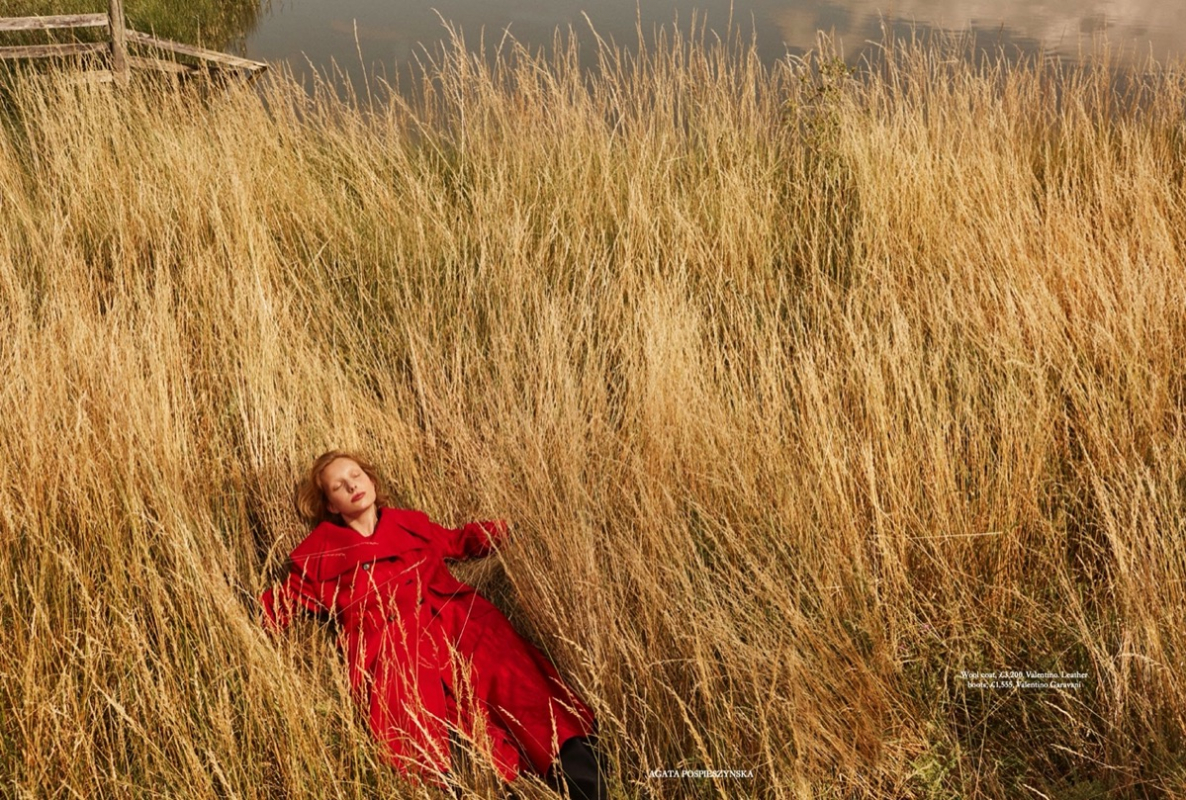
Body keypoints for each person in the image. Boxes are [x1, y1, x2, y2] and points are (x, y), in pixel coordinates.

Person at [260, 451, 607, 800]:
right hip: (394, 651)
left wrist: (508, 529)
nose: (352, 485)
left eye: (356, 475)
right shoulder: (321, 557)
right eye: (339, 485)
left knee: (520, 690)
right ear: (331, 505)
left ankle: (583, 779)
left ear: (371, 481)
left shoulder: (412, 525)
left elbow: (457, 542)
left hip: (459, 623)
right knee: (427, 738)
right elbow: (284, 603)